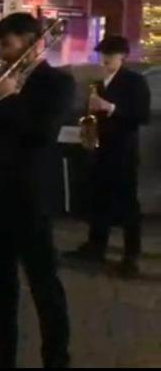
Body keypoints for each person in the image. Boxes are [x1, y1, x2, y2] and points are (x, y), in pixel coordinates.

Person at [0, 13, 73, 368]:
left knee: (44, 286)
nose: (2, 53)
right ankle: (2, 353)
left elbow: (41, 134)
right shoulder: (0, 81)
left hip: (32, 198)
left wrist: (11, 98)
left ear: (31, 42)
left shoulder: (57, 83)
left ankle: (56, 359)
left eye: (8, 44)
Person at [65, 35, 151, 278]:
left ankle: (131, 255)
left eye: (110, 55)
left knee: (127, 204)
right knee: (98, 199)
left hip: (123, 151)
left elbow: (141, 115)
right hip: (101, 150)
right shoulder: (100, 83)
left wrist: (110, 108)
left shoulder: (134, 81)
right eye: (102, 55)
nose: (104, 59)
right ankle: (96, 246)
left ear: (122, 56)